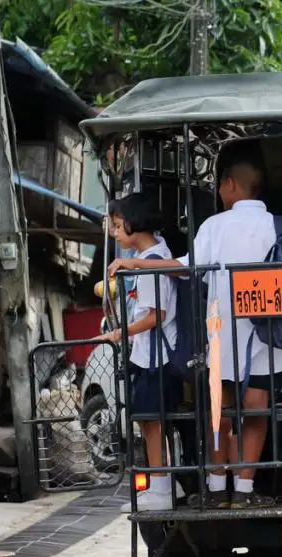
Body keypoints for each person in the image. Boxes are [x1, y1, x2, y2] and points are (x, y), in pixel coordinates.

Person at [109, 154, 282, 509]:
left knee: (219, 411)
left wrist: (135, 264)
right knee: (256, 410)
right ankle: (245, 488)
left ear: (230, 186)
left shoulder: (215, 226)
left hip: (223, 331)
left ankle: (215, 485)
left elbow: (184, 269)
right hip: (269, 333)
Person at [97, 193, 182, 512]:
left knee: (152, 423)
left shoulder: (151, 262)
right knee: (150, 423)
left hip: (155, 356)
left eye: (118, 227)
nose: (115, 234)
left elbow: (155, 315)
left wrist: (119, 333)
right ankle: (162, 485)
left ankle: (161, 489)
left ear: (134, 225)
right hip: (149, 354)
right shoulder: (155, 254)